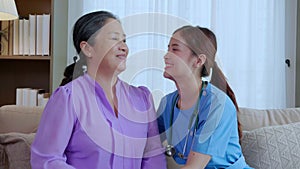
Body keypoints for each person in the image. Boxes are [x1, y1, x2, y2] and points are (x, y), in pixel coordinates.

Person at [31, 11, 166, 169]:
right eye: (114, 38)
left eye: (124, 40)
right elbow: (46, 160)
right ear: (88, 49)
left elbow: (153, 157)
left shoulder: (142, 99)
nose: (124, 47)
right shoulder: (68, 97)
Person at [157, 26, 252, 169]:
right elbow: (146, 142)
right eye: (168, 48)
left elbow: (194, 167)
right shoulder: (168, 103)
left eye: (175, 49)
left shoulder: (217, 105)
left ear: (198, 61)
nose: (166, 55)